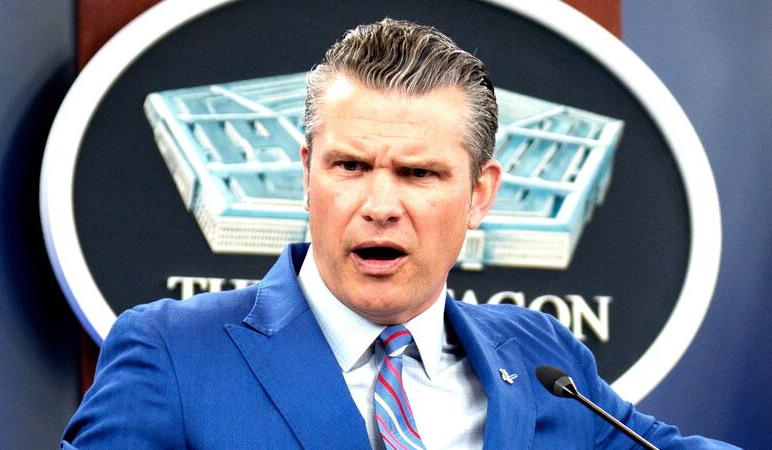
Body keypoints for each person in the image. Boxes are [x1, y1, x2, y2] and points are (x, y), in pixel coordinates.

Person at [62, 19, 737, 449]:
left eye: (418, 174)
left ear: (479, 195)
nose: (379, 204)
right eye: (350, 166)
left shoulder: (542, 359)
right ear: (307, 174)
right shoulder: (174, 354)